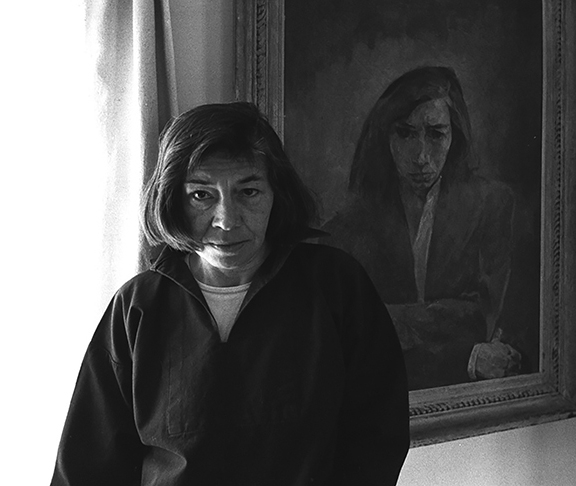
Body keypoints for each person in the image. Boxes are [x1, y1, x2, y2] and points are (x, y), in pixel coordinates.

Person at [51, 102, 409, 485]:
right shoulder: (137, 307)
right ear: (173, 199)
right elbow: (87, 466)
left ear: (276, 193)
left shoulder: (337, 287)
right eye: (201, 195)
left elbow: (377, 437)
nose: (226, 220)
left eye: (249, 192)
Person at [322, 66, 522, 390]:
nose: (421, 157)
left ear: (455, 135)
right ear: (386, 137)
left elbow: (481, 320)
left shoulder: (492, 205)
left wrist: (389, 318)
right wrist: (466, 353)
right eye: (405, 134)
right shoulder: (349, 226)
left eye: (436, 134)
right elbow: (348, 331)